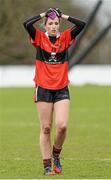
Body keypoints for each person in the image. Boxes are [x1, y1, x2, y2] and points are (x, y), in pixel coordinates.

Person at [23, 8, 86, 176]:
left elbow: (81, 24)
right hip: (43, 88)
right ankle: (47, 166)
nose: (53, 26)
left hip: (61, 88)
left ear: (59, 25)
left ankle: (56, 155)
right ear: (45, 26)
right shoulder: (38, 37)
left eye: (56, 23)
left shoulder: (65, 37)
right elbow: (27, 24)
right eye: (50, 24)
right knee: (45, 128)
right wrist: (45, 13)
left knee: (62, 127)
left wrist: (61, 14)